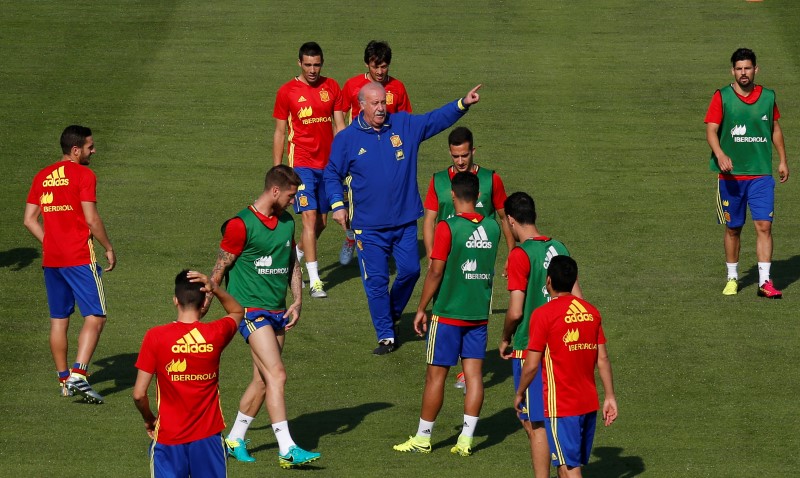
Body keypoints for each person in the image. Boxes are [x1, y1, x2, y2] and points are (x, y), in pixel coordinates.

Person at [324, 81, 482, 355]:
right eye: (375, 103)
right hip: (368, 227)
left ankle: (391, 312)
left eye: (383, 102)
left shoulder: (404, 126)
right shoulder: (347, 139)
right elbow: (331, 174)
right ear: (361, 105)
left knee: (410, 270)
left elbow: (435, 120)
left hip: (405, 220)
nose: (381, 108)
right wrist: (337, 205)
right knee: (376, 281)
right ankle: (386, 334)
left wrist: (462, 104)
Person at [207, 165, 320, 468]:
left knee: (262, 381)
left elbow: (292, 265)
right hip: (249, 311)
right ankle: (287, 448)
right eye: (291, 195)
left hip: (277, 312)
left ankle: (234, 438)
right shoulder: (240, 225)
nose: (294, 202)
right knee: (278, 374)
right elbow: (219, 269)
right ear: (274, 191)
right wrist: (205, 303)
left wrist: (297, 300)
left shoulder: (286, 223)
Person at [393, 172, 499, 456]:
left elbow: (436, 270)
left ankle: (423, 438)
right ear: (478, 196)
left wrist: (421, 307)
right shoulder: (492, 227)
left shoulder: (447, 227)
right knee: (473, 376)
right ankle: (465, 440)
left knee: (435, 377)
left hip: (449, 313)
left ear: (452, 195)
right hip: (478, 315)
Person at [23, 125, 116, 403]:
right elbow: (91, 219)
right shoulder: (84, 174)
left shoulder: (42, 176)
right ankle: (79, 373)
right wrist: (108, 247)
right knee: (96, 316)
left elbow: (29, 219)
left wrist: (50, 243)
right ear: (75, 151)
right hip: (79, 257)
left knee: (59, 320)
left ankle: (64, 381)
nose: (93, 150)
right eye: (90, 147)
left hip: (52, 260)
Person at [422, 126, 513, 392]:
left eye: (464, 155)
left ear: (473, 150)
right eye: (455, 156)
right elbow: (429, 219)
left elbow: (505, 218)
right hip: (446, 256)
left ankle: (467, 368)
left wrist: (512, 253)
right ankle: (451, 363)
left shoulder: (490, 180)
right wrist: (430, 253)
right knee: (446, 308)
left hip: (477, 255)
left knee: (475, 307)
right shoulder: (438, 180)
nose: (460, 161)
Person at [498, 192, 582, 478]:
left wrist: (505, 337)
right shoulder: (559, 247)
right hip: (564, 349)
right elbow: (577, 301)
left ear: (511, 220)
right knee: (555, 422)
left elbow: (516, 311)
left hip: (530, 350)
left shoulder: (520, 255)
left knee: (537, 426)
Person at [133, 270, 245, 478]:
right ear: (204, 304)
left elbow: (139, 394)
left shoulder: (155, 336)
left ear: (176, 300)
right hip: (208, 437)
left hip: (168, 438)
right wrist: (215, 288)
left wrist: (149, 418)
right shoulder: (215, 333)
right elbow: (238, 311)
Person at [514, 256, 617, 478]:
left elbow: (531, 364)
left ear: (548, 281)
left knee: (570, 469)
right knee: (564, 464)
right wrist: (609, 396)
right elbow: (603, 359)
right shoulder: (591, 312)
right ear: (575, 279)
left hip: (562, 405)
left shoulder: (543, 314)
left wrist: (520, 392)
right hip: (588, 403)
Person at [705, 47, 789, 298]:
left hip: (761, 174)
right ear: (733, 71)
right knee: (733, 228)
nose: (744, 73)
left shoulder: (768, 97)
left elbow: (774, 128)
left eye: (748, 68)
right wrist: (720, 154)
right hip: (731, 177)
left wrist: (783, 160)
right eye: (739, 68)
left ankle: (765, 282)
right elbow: (711, 129)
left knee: (764, 225)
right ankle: (732, 277)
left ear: (756, 69)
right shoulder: (722, 96)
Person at [273, 41, 347, 299]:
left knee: (321, 222)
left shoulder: (332, 86)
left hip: (328, 166)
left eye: (317, 65)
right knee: (308, 219)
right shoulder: (287, 92)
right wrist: (278, 169)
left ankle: (291, 262)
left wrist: (345, 157)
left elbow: (339, 125)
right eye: (308, 65)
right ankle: (315, 281)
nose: (313, 70)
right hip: (301, 163)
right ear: (299, 63)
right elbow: (280, 131)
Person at [339, 40, 413, 266]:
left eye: (384, 66)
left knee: (386, 195)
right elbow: (339, 112)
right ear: (367, 64)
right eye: (375, 66)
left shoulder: (398, 87)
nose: (380, 71)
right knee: (353, 197)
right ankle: (352, 237)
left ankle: (386, 239)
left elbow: (407, 121)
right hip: (359, 151)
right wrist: (343, 139)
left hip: (388, 152)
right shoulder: (352, 85)